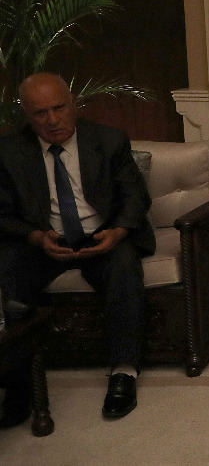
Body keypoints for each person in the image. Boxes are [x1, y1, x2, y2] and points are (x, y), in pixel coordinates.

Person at [0, 73, 152, 424]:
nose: (52, 120)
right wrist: (36, 237)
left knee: (125, 264)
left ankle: (124, 372)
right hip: (45, 240)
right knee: (8, 271)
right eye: (40, 113)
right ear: (26, 114)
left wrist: (117, 232)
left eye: (59, 108)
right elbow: (2, 214)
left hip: (102, 235)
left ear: (74, 104)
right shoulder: (8, 152)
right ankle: (19, 385)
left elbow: (135, 196)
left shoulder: (108, 140)